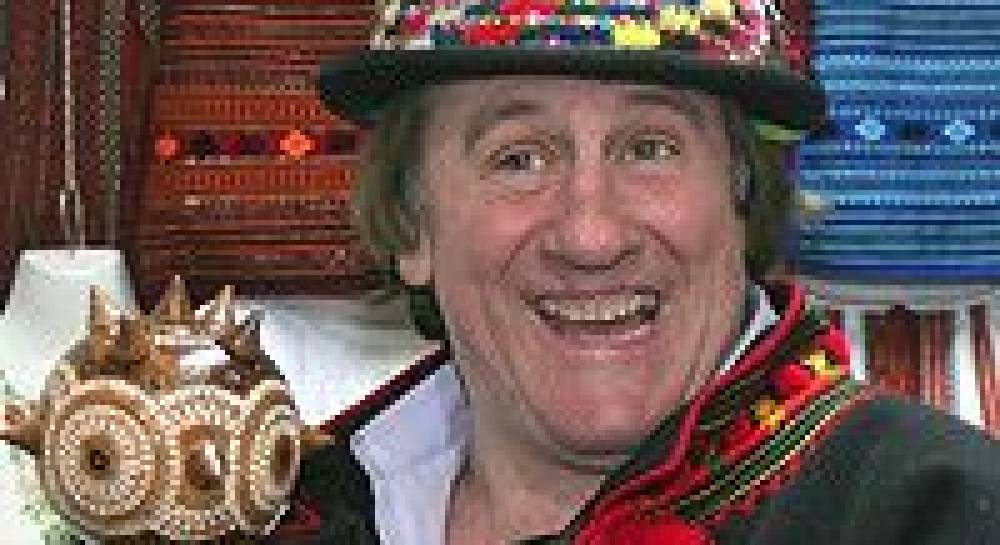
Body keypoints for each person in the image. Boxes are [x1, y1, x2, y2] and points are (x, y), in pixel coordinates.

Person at [270, 0, 1000, 543]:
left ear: (744, 197)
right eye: (519, 159)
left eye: (650, 148)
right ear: (411, 226)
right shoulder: (286, 511)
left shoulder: (936, 513)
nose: (591, 237)